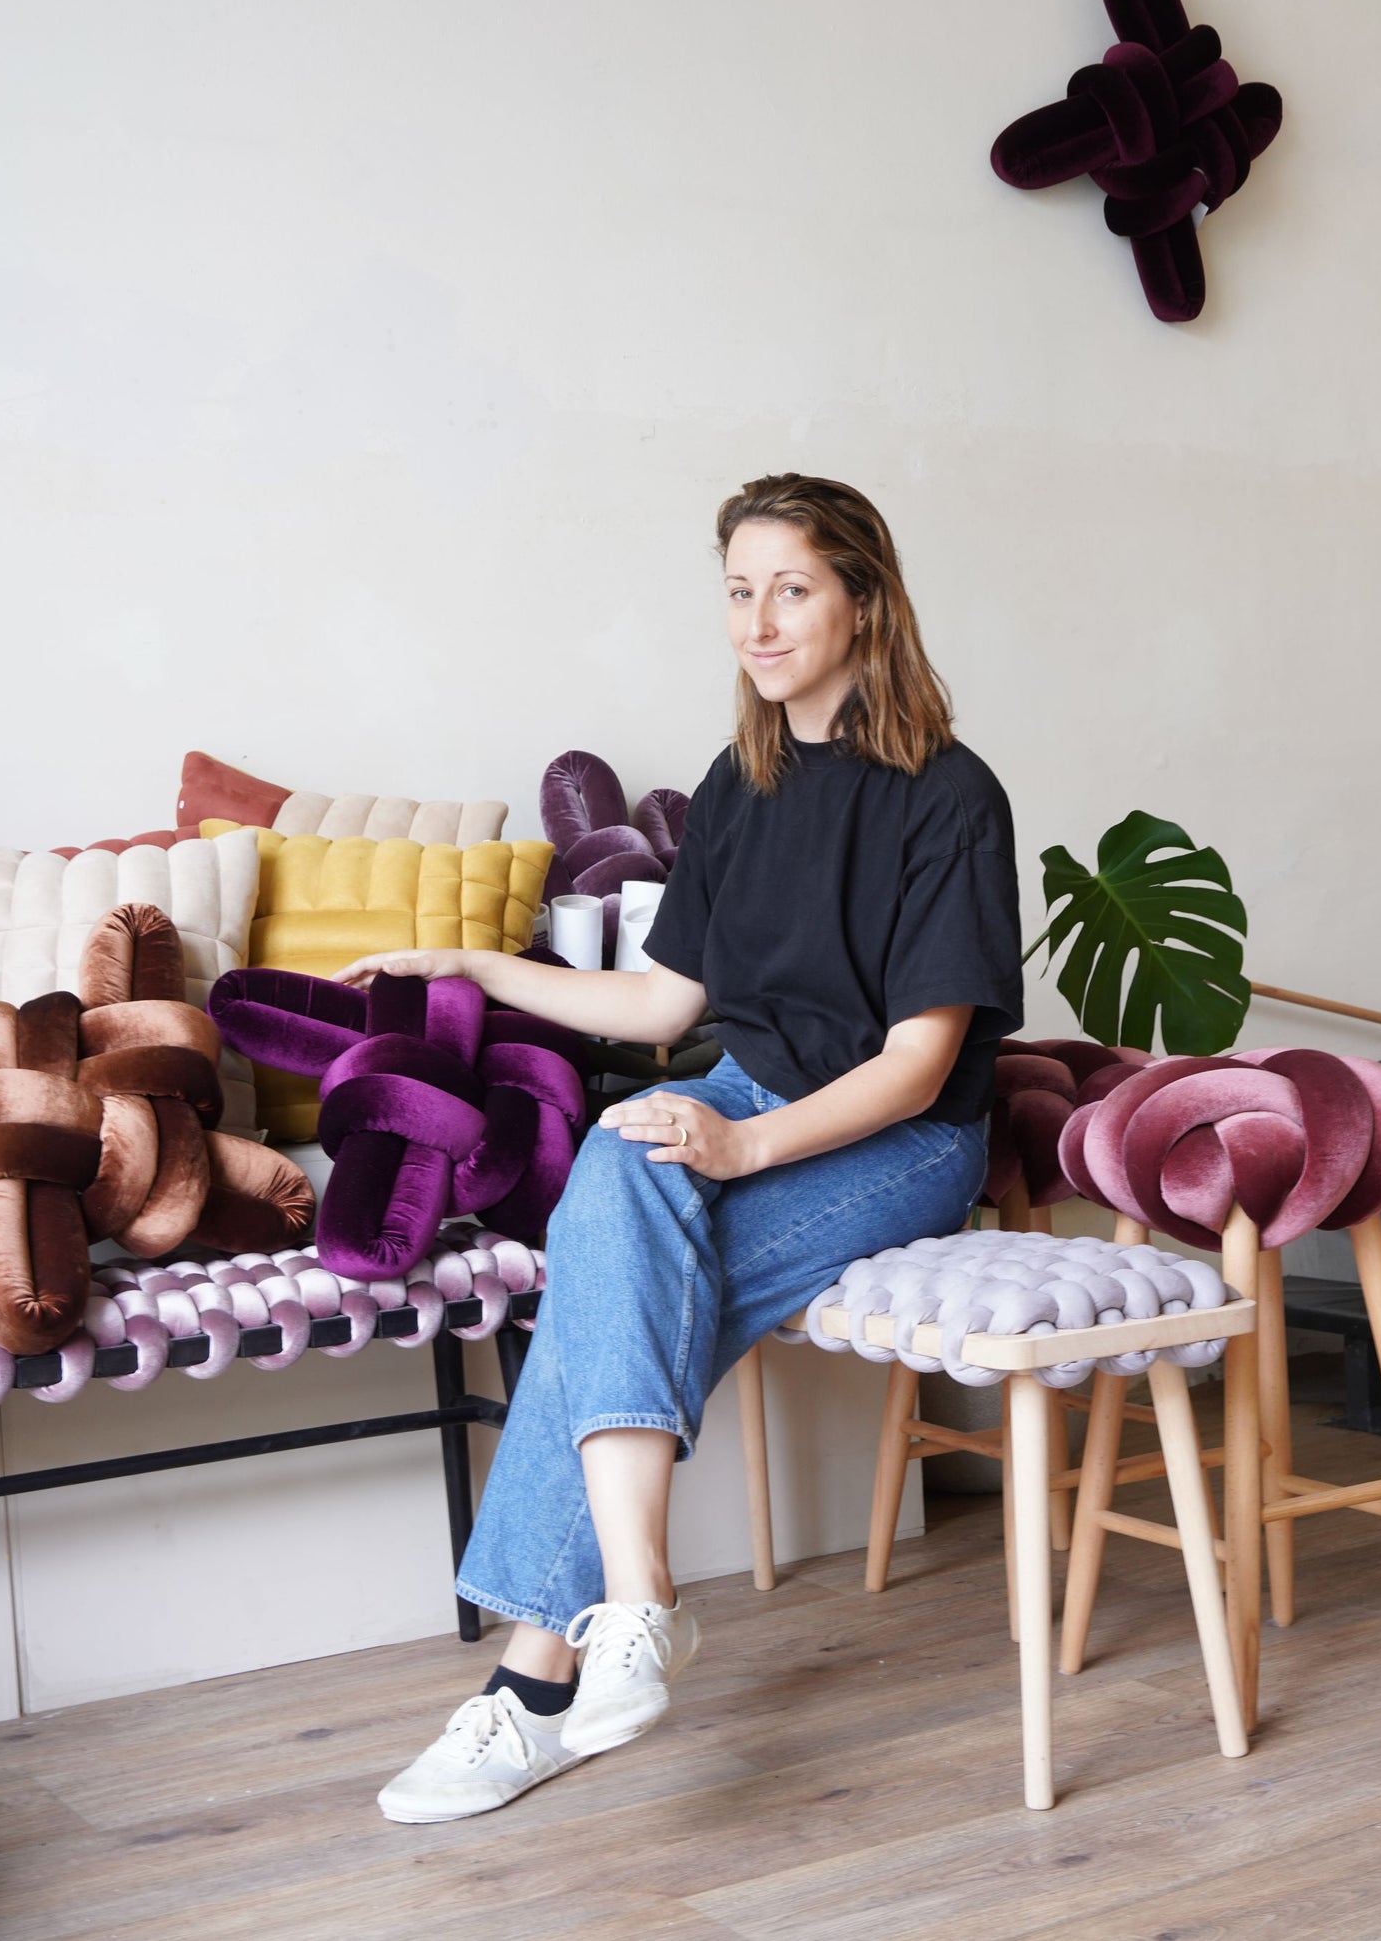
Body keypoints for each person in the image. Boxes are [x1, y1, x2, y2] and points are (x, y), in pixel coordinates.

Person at [334, 472, 1023, 1822]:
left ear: (865, 601)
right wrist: (474, 960)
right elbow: (663, 1004)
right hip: (758, 1090)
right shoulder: (741, 779)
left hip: (900, 1135)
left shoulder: (953, 797)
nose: (758, 622)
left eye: (792, 588)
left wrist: (743, 1145)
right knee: (619, 1166)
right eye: (738, 589)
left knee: (616, 1264)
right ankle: (638, 1607)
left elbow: (918, 1063)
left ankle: (532, 1681)